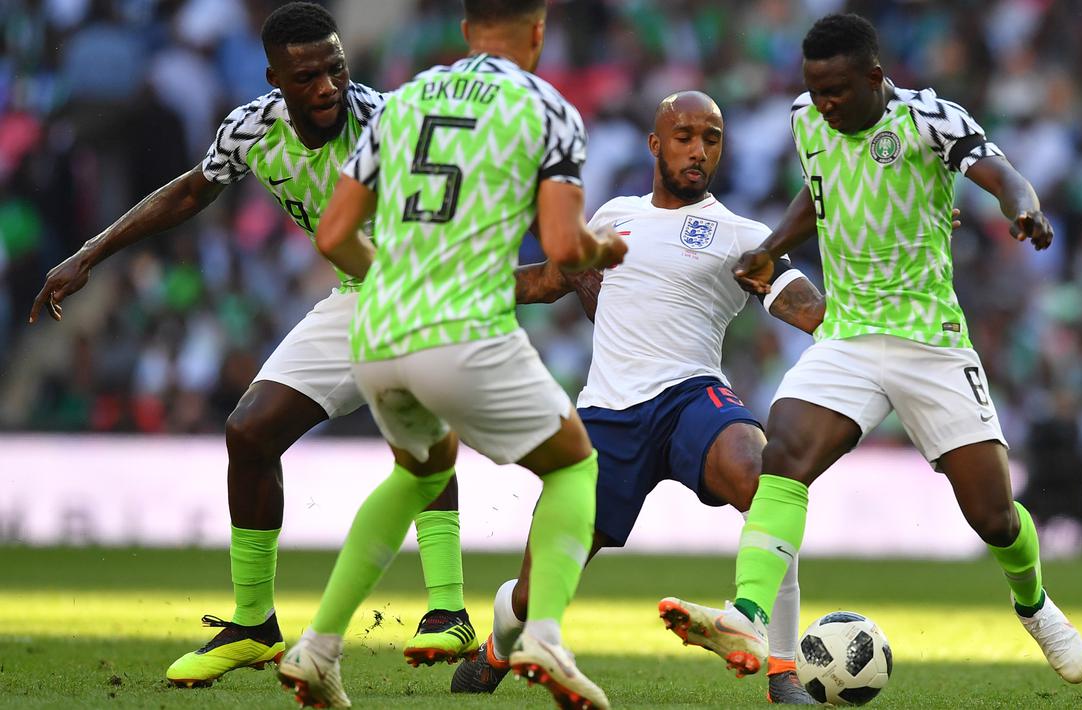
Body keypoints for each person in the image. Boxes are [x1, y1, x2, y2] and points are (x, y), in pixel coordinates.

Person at [27, 2, 475, 687]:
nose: (326, 86)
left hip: (420, 290)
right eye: (307, 77)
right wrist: (91, 252)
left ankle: (448, 610)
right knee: (249, 431)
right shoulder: (251, 129)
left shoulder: (391, 123)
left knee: (417, 429)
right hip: (354, 298)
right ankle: (254, 624)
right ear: (275, 78)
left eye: (335, 69)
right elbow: (187, 194)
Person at [659, 12, 1082, 688]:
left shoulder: (928, 119)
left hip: (930, 342)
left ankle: (1034, 606)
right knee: (785, 455)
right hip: (849, 335)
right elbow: (820, 194)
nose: (824, 104)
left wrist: (1022, 208)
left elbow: (1000, 172)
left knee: (994, 516)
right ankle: (744, 612)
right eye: (815, 89)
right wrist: (771, 246)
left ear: (873, 77)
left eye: (836, 91)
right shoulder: (807, 119)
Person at [276, 1, 626, 708]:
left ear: (466, 32)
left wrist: (401, 285)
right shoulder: (547, 107)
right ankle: (545, 634)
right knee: (574, 465)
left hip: (375, 333)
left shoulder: (399, 104)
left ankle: (317, 646)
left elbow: (335, 233)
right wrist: (603, 247)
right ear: (537, 31)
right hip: (463, 331)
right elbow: (563, 247)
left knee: (419, 469)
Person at [451, 90, 828, 705]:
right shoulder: (612, 216)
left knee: (768, 480)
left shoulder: (744, 235)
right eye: (684, 136)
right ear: (656, 144)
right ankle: (498, 646)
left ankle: (781, 670)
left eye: (711, 138)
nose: (698, 150)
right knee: (535, 588)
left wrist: (855, 324)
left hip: (691, 397)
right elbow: (550, 280)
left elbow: (803, 304)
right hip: (606, 416)